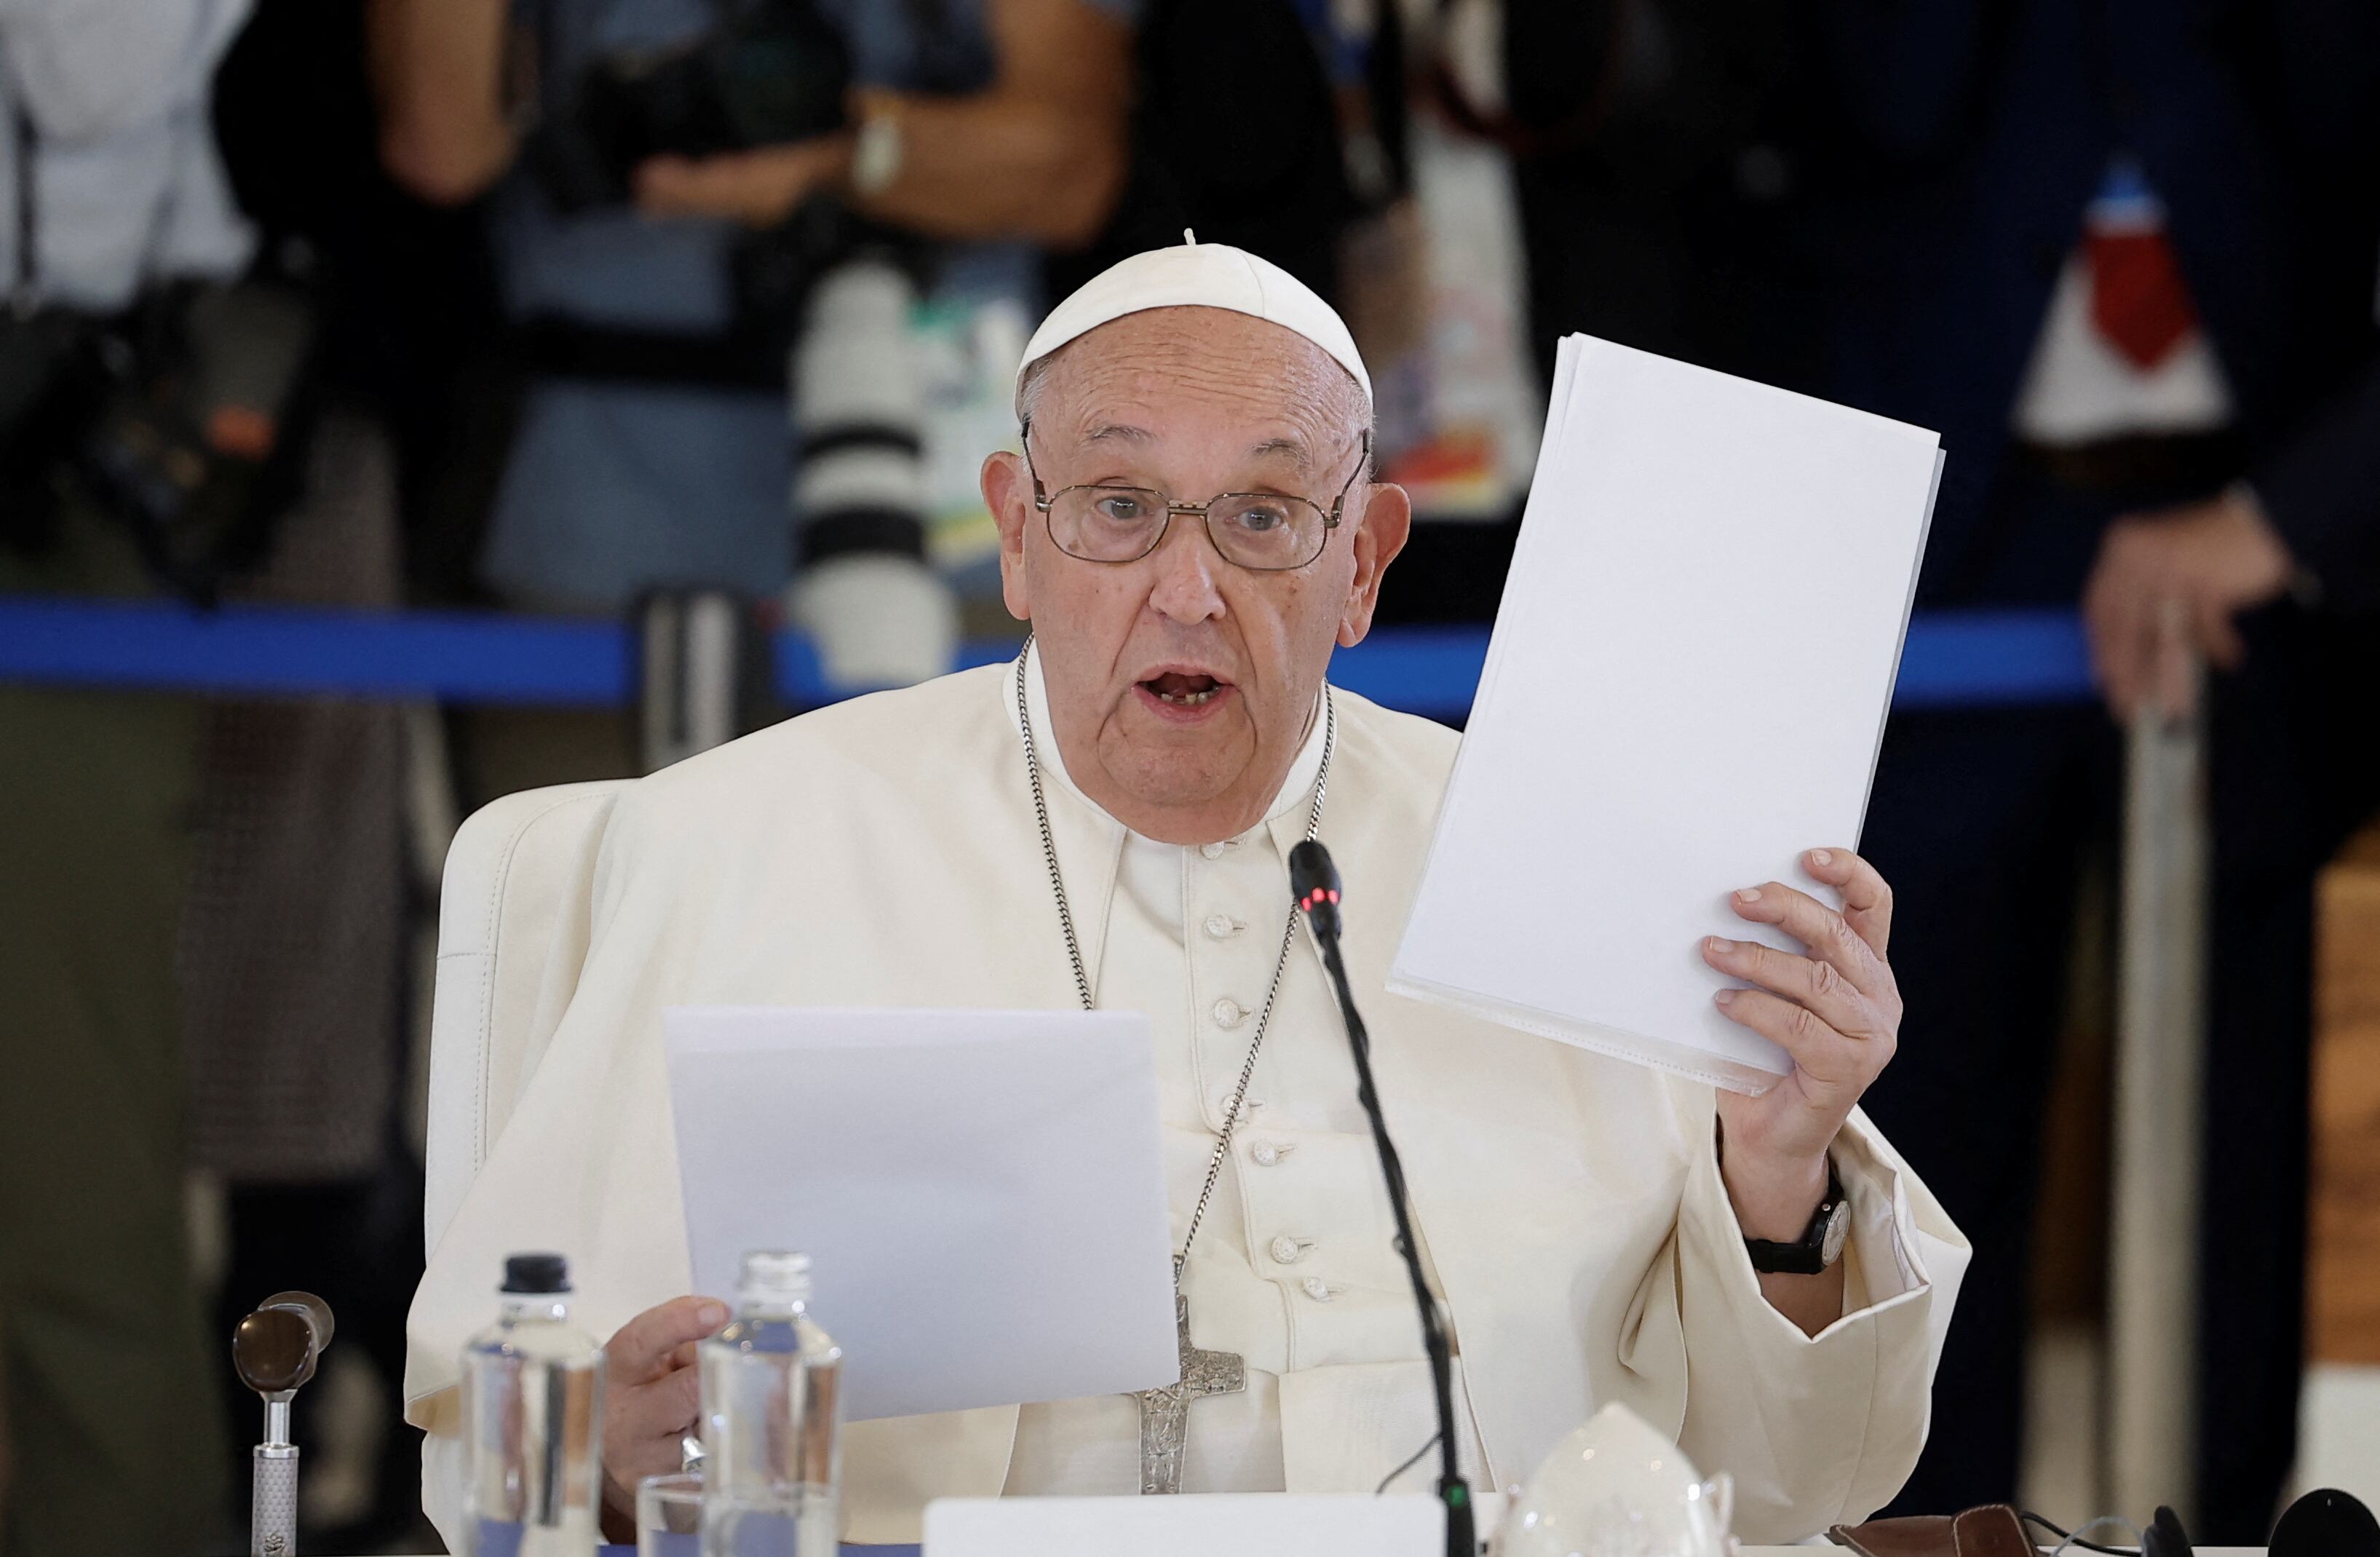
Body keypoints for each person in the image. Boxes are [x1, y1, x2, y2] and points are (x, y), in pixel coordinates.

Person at [405, 239, 1970, 1545]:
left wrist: (1783, 1173)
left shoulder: (1579, 865)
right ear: (1017, 533)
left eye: (1268, 517)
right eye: (1119, 505)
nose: (1189, 584)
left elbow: (1791, 1490)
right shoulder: (738, 839)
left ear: (1364, 561)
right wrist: (608, 1452)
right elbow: (497, 1427)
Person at [1792, 2, 2380, 1532]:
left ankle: (2212, 1526)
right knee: (1908, 1112)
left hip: (2269, 537)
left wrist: (2303, 511)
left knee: (2236, 1150)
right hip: (1924, 535)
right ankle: (1927, 1533)